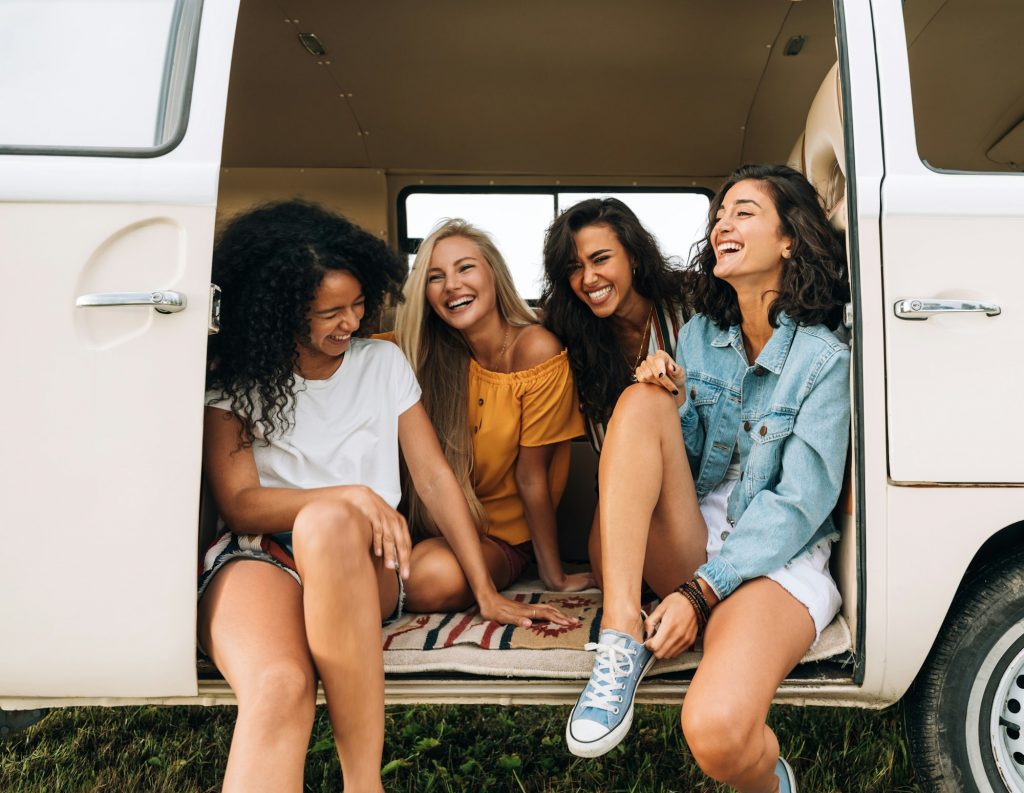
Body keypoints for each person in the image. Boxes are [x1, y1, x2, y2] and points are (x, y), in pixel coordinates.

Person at [199, 200, 572, 793]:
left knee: (328, 525)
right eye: (329, 313)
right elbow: (241, 502)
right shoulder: (238, 375)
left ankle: (362, 783)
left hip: (359, 562)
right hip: (259, 557)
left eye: (356, 305)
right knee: (280, 685)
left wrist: (484, 591)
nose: (349, 323)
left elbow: (432, 478)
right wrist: (349, 495)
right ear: (280, 311)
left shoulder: (382, 362)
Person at [564, 165, 851, 793]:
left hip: (774, 559)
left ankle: (769, 778)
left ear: (789, 240)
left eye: (744, 211)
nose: (723, 222)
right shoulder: (699, 335)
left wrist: (700, 594)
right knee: (640, 399)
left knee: (719, 735)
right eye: (719, 213)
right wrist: (673, 392)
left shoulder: (824, 361)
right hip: (697, 537)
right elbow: (692, 464)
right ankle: (619, 638)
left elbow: (799, 508)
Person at [388, 219, 592, 598]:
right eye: (435, 277)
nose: (452, 285)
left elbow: (532, 478)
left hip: (499, 537)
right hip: (431, 528)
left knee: (429, 578)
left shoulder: (536, 350)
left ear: (493, 275)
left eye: (465, 268)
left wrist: (553, 575)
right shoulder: (415, 351)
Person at [540, 198, 691, 581]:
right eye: (575, 268)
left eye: (601, 259)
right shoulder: (567, 334)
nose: (588, 279)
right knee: (612, 577)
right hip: (618, 496)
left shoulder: (691, 309)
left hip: (694, 482)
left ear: (634, 258)